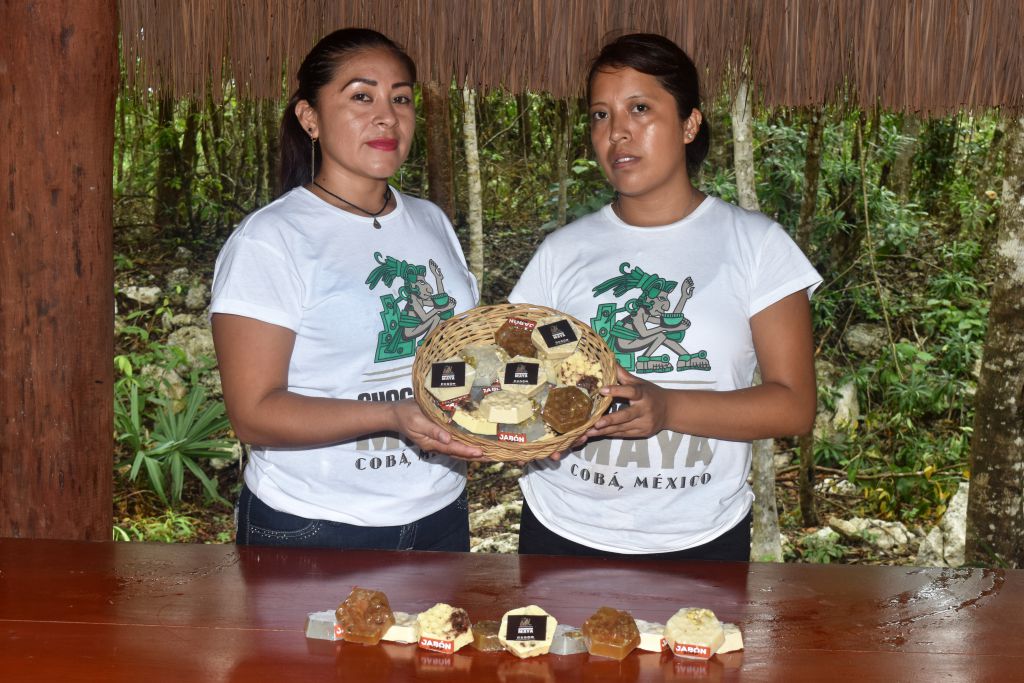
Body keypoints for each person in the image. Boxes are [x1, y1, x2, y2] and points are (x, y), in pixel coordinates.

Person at [509, 33, 821, 560]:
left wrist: (668, 406)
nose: (618, 134)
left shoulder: (755, 244)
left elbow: (793, 406)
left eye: (640, 109)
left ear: (688, 124)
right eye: (600, 116)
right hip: (564, 525)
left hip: (701, 534)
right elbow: (514, 369)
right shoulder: (562, 253)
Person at [210, 28, 482, 552]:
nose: (387, 116)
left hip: (440, 512)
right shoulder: (271, 240)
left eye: (400, 98)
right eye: (362, 96)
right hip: (314, 526)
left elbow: (461, 354)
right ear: (309, 118)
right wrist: (393, 415)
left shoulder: (430, 221)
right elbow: (254, 413)